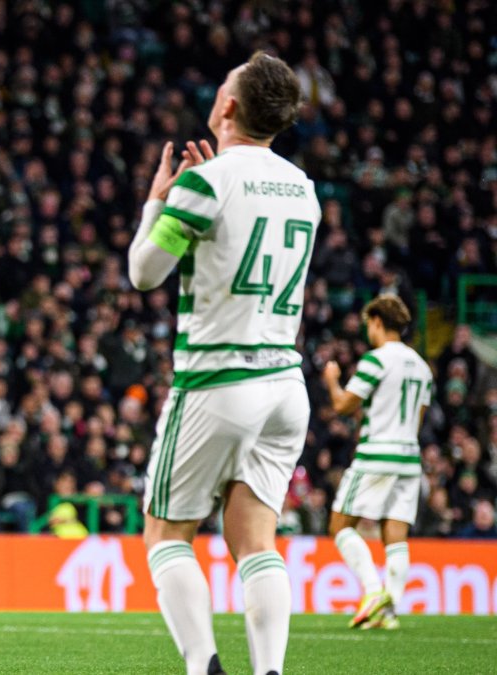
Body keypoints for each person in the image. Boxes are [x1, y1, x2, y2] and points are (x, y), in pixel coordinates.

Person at [127, 52, 318, 675]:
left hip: (218, 381)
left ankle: (204, 666)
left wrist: (162, 200)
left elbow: (143, 274)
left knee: (165, 535)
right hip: (286, 386)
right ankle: (269, 671)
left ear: (228, 107)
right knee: (254, 541)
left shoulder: (205, 183)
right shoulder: (304, 187)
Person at [323, 296, 432, 630]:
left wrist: (331, 378)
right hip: (409, 458)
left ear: (377, 322)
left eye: (369, 324)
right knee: (395, 534)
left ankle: (372, 591)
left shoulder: (376, 360)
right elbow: (418, 419)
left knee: (340, 527)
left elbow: (342, 405)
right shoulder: (423, 368)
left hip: (377, 454)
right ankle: (389, 612)